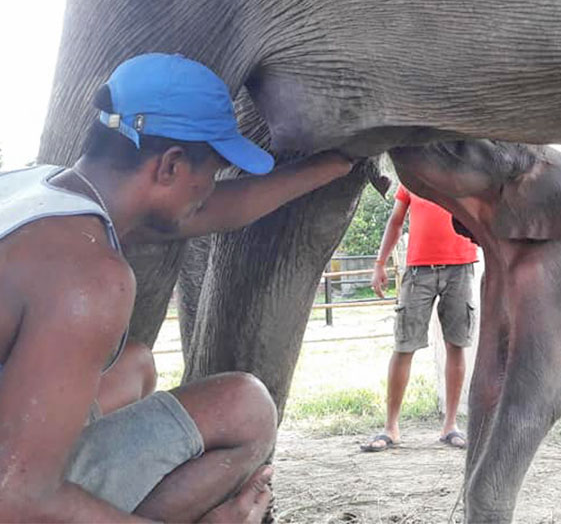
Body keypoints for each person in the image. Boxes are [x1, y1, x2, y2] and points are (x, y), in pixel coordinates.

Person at [0, 53, 353, 522]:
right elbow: (17, 497)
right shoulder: (91, 278)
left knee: (135, 365)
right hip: (11, 492)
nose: (211, 188)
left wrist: (340, 164)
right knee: (244, 406)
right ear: (170, 166)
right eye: (213, 172)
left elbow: (220, 208)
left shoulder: (35, 190)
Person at [361, 184, 478, 452]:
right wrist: (380, 264)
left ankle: (450, 425)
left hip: (460, 268)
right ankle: (391, 427)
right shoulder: (412, 178)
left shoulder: (463, 174)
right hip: (418, 272)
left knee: (456, 345)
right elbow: (396, 221)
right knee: (404, 346)